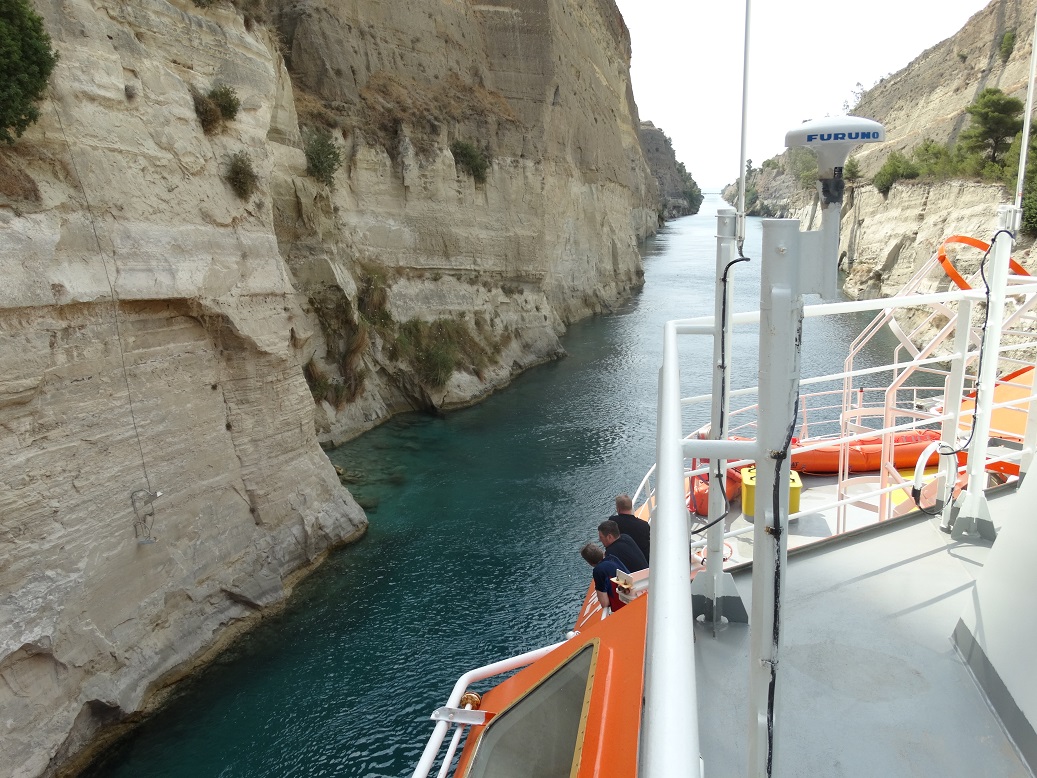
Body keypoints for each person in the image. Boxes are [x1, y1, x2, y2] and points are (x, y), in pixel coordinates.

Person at [580, 542, 629, 612]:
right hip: (633, 598)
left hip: (622, 608)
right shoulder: (613, 558)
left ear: (589, 562)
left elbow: (605, 603)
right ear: (602, 552)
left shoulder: (598, 571)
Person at [610, 493, 650, 562]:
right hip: (643, 562)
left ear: (618, 509)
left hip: (623, 562)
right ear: (631, 507)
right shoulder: (644, 525)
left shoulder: (614, 521)